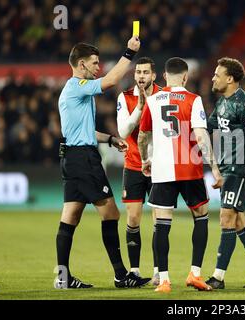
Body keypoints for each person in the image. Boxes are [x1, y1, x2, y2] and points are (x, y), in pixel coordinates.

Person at [55, 38, 144, 289]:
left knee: (70, 217)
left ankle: (63, 277)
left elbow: (82, 131)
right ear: (81, 65)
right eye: (95, 63)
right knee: (112, 213)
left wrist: (111, 139)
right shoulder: (78, 86)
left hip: (71, 157)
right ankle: (120, 275)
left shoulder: (71, 92)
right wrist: (129, 53)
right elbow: (112, 81)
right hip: (84, 159)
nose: (98, 67)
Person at [138, 57, 223, 293]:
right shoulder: (194, 100)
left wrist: (145, 160)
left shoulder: (152, 100)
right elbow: (202, 137)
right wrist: (214, 168)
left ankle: (163, 280)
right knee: (201, 216)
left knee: (162, 223)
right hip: (190, 167)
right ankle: (195, 274)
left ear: (164, 77)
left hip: (163, 169)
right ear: (185, 77)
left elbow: (143, 136)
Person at [206, 57, 245, 289]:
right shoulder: (222, 102)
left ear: (229, 78)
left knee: (226, 218)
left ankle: (218, 277)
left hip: (239, 168)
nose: (213, 78)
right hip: (226, 167)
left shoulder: (244, 103)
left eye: (217, 74)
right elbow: (208, 126)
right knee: (239, 221)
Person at [116, 57, 161, 286]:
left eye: (145, 72)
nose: (141, 76)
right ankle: (133, 271)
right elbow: (123, 132)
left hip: (159, 167)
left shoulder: (164, 96)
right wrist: (141, 107)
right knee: (133, 218)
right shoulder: (125, 97)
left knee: (158, 220)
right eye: (138, 73)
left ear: (154, 75)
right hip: (134, 164)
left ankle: (157, 272)